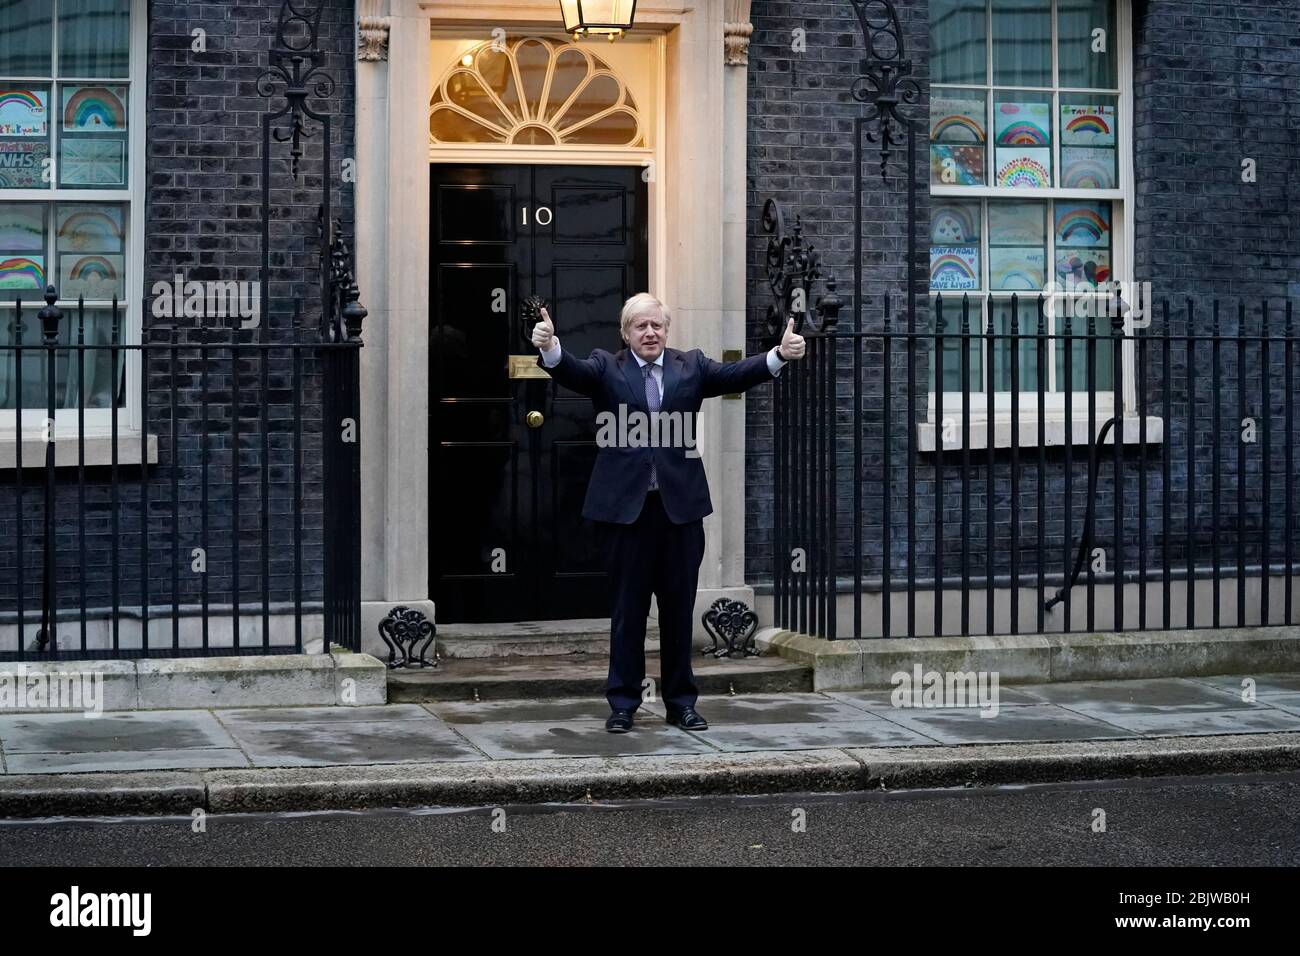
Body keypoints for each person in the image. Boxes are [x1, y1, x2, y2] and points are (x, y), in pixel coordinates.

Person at [532, 293, 806, 732]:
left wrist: (778, 355)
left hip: (679, 513)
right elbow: (574, 372)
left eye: (657, 325)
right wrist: (549, 347)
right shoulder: (608, 366)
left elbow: (734, 373)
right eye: (640, 326)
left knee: (678, 612)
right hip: (626, 515)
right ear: (626, 333)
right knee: (628, 613)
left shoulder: (690, 366)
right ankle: (623, 704)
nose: (650, 332)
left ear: (667, 329)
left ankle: (681, 702)